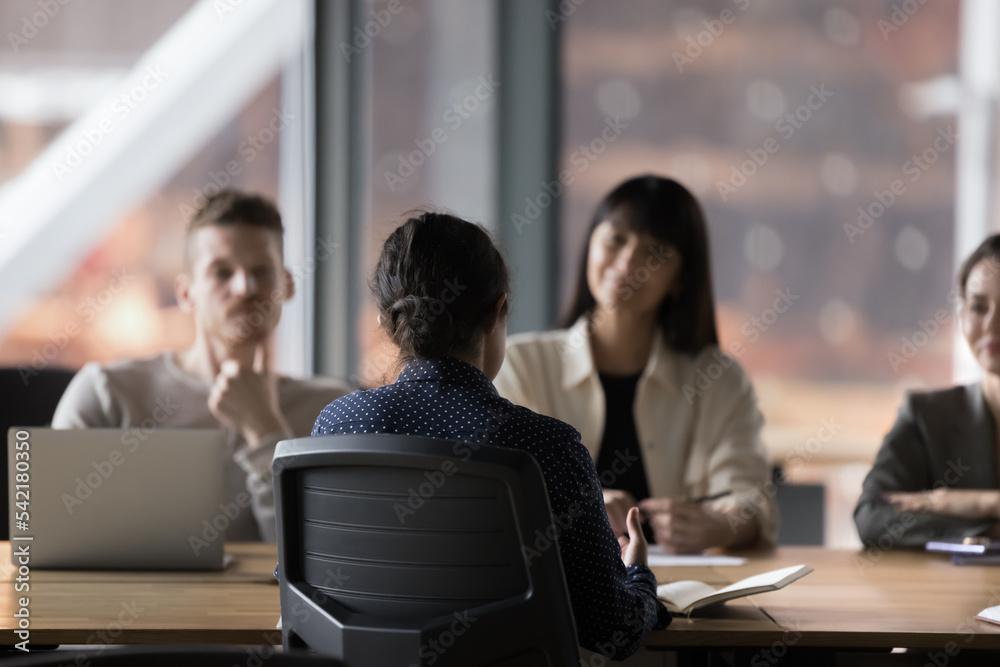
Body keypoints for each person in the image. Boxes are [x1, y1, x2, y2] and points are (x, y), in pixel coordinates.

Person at [312, 211, 670, 659]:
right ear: (498, 310)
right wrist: (637, 576)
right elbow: (608, 629)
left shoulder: (336, 429)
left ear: (389, 323)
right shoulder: (548, 447)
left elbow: (311, 594)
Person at [493, 174, 777, 554]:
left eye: (656, 252)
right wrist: (582, 507)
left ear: (681, 278)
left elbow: (754, 502)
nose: (628, 262)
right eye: (616, 239)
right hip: (561, 597)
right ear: (589, 246)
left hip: (688, 594)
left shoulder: (719, 379)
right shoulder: (520, 364)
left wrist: (720, 525)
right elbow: (498, 491)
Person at [52, 190, 350, 542]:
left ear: (286, 285)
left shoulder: (333, 411)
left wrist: (265, 431)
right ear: (185, 292)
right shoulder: (106, 393)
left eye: (261, 271)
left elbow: (323, 559)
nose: (244, 287)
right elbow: (55, 539)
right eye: (221, 272)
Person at [854, 235, 1000, 548]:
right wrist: (982, 529)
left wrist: (980, 502)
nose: (992, 325)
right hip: (961, 596)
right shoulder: (926, 415)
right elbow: (872, 515)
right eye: (978, 307)